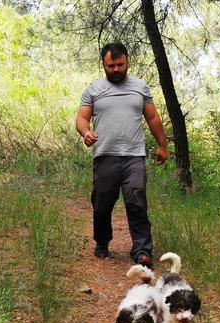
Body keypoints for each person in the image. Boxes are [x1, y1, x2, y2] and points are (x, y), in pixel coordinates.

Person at [75, 42, 168, 268]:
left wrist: (162, 145)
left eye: (120, 64)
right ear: (103, 65)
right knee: (102, 203)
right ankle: (102, 242)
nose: (116, 69)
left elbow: (153, 118)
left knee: (136, 199)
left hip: (134, 156)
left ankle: (142, 250)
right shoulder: (94, 89)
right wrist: (86, 132)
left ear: (127, 62)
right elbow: (81, 118)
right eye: (111, 66)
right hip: (105, 155)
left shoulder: (140, 87)